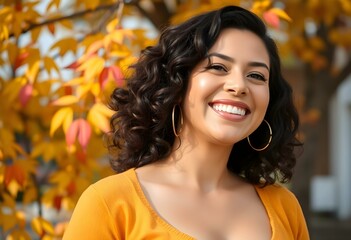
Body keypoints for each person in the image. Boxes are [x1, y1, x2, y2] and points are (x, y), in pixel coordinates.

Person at [63, 5, 309, 240]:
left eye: (256, 75)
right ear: (177, 83)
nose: (239, 86)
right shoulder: (109, 203)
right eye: (218, 67)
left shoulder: (284, 207)